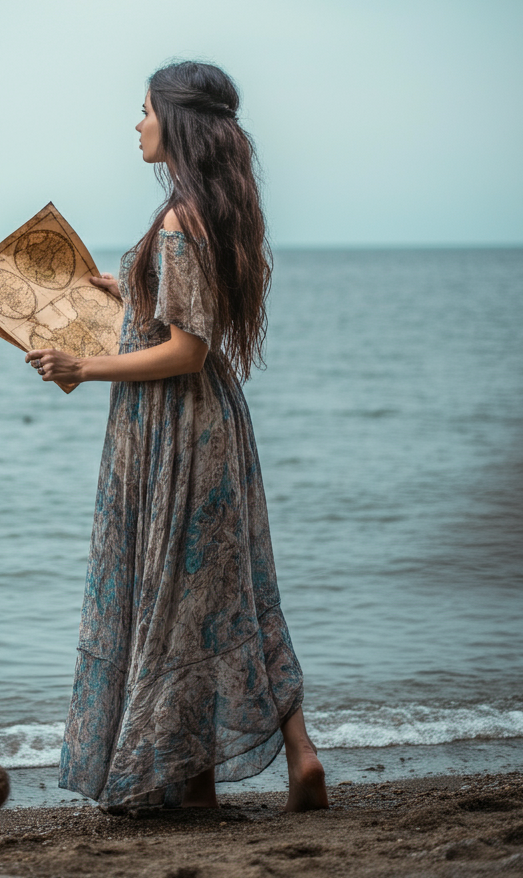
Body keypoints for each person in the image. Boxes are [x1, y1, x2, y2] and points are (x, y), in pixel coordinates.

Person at [25, 61, 328, 814]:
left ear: (176, 122)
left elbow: (186, 350)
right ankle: (296, 755)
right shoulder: (209, 210)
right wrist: (123, 287)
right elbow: (188, 312)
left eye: (145, 110)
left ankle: (184, 776)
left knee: (177, 601)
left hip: (177, 427)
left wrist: (81, 363)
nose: (136, 123)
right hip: (208, 421)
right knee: (235, 595)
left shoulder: (177, 219)